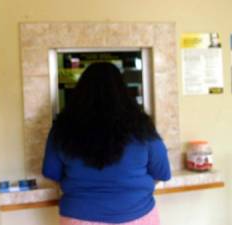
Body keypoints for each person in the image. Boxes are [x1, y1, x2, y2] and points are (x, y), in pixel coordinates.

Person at [42, 62, 171, 225]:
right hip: (136, 215)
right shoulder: (141, 127)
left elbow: (51, 173)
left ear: (80, 91)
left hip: (79, 217)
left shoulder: (62, 128)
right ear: (122, 91)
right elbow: (163, 173)